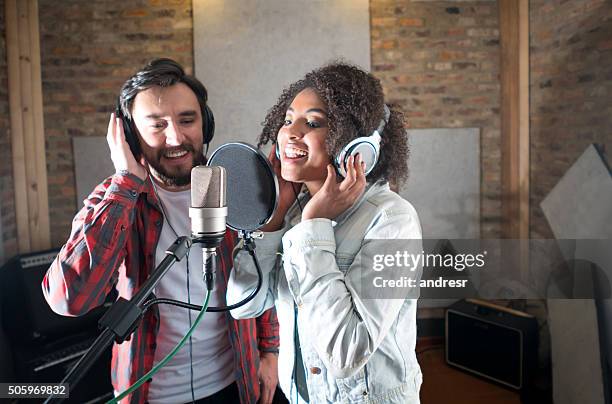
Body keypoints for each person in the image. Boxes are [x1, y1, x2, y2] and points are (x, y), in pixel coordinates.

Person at [42, 58, 280, 404]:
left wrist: (269, 350)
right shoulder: (116, 199)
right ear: (129, 135)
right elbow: (69, 299)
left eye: (187, 120)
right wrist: (126, 185)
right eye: (157, 125)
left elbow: (260, 271)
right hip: (152, 394)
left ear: (206, 123)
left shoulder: (234, 186)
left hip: (236, 382)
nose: (176, 138)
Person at [227, 62, 424, 403]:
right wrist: (273, 221)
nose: (290, 132)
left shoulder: (393, 220)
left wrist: (313, 228)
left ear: (357, 146)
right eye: (288, 120)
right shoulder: (290, 212)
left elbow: (348, 352)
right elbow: (243, 305)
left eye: (313, 123)